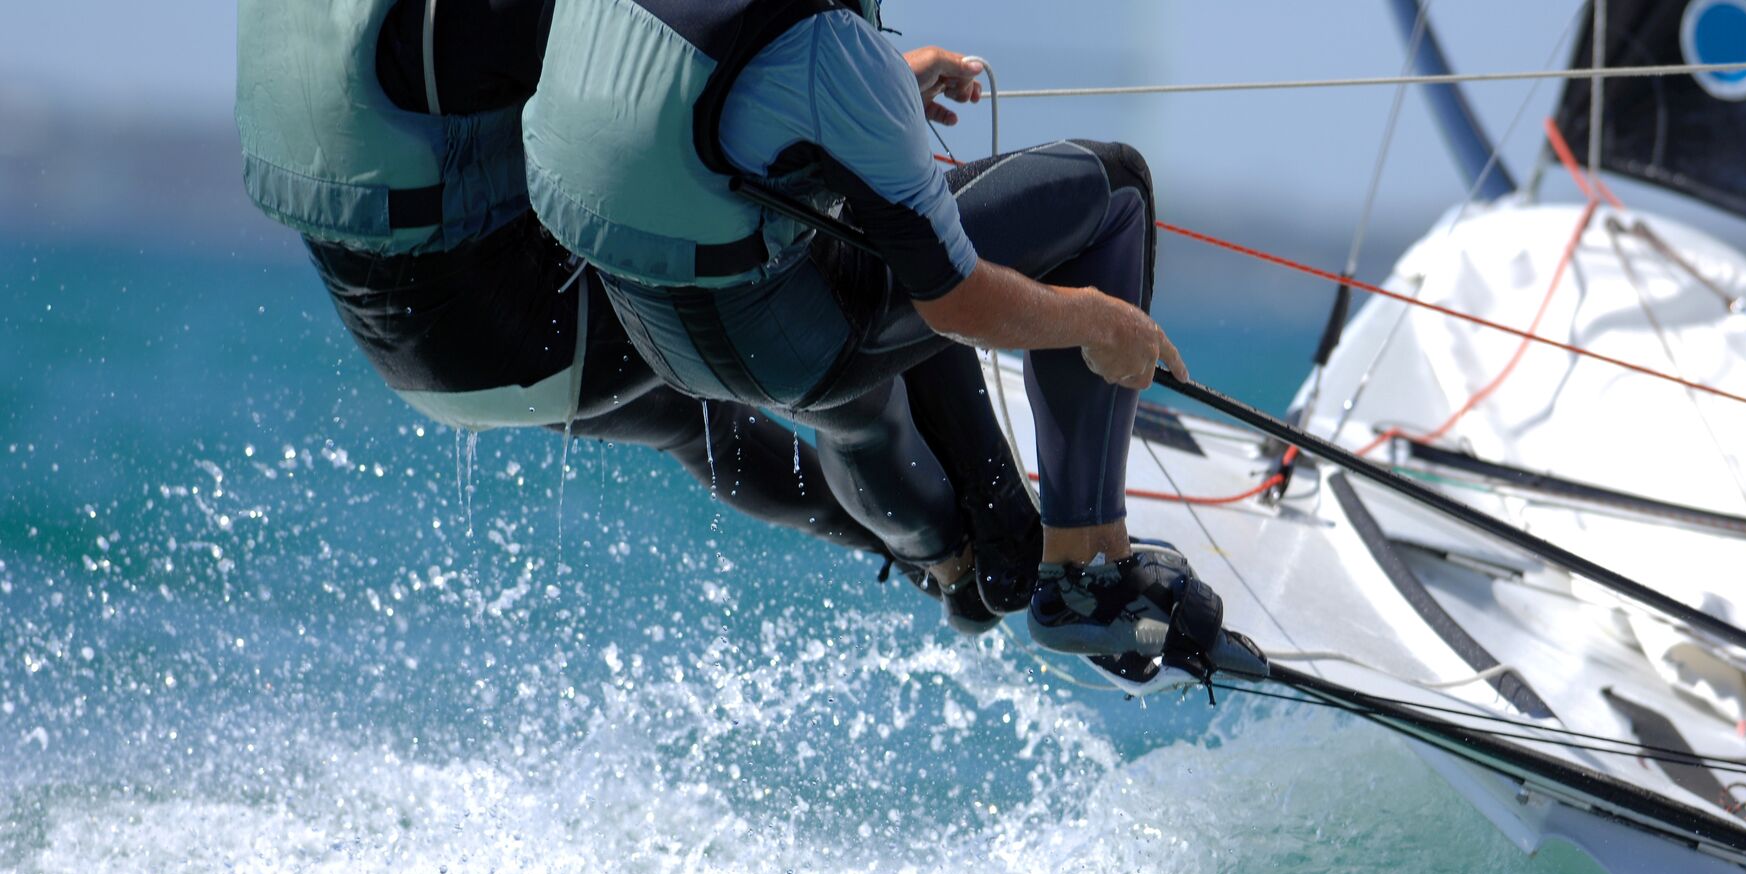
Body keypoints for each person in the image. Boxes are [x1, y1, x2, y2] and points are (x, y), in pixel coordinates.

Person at [233, 0, 1038, 631]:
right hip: (529, 335)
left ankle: (943, 563)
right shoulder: (471, 14)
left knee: (693, 424)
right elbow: (657, 90)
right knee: (850, 275)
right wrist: (863, 93)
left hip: (412, 359)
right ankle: (989, 549)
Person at [522, 0, 1264, 678]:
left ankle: (960, 558)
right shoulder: (833, 53)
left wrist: (863, 92)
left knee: (871, 227)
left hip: (653, 331)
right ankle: (1087, 572)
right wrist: (1103, 320)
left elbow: (684, 120)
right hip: (791, 343)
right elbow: (957, 301)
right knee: (1113, 191)